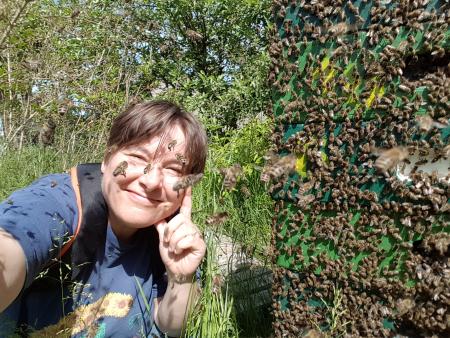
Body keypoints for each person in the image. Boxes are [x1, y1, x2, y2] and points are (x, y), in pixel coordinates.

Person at [0, 100, 207, 337]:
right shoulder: (60, 206)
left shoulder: (171, 235)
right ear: (107, 160)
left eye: (172, 169)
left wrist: (181, 278)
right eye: (138, 157)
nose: (151, 182)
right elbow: (12, 243)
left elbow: (170, 327)